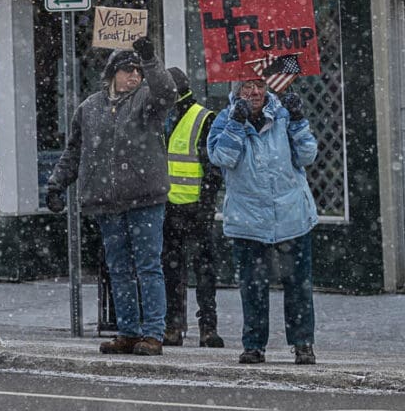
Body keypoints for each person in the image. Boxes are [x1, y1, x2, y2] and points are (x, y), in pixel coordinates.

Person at [46, 38, 176, 356]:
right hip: (106, 201)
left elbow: (168, 92)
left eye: (137, 71)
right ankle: (129, 331)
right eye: (127, 70)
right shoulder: (89, 108)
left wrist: (150, 61)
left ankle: (154, 332)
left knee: (148, 267)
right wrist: (56, 185)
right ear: (112, 74)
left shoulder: (148, 102)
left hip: (145, 198)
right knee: (118, 269)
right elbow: (74, 151)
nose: (134, 76)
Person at [207, 76, 319, 365]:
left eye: (259, 85)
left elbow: (307, 155)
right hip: (249, 220)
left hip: (290, 215)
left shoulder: (283, 115)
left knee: (298, 285)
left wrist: (298, 120)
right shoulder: (223, 120)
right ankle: (254, 345)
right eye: (246, 86)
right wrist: (235, 125)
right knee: (253, 286)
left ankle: (303, 343)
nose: (254, 92)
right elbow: (221, 157)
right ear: (236, 90)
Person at [161, 67, 225, 348]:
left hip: (194, 206)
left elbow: (212, 168)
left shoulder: (202, 117)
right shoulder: (160, 117)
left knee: (202, 269)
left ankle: (206, 327)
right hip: (168, 206)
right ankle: (174, 325)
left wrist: (206, 203)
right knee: (174, 269)